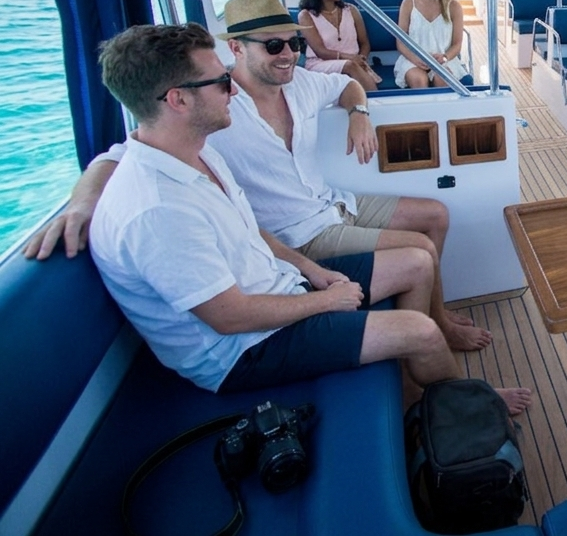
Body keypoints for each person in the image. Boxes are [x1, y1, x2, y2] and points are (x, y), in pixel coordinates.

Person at [86, 23, 530, 412]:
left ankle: (416, 391)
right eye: (220, 82)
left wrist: (313, 272)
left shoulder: (196, 155)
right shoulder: (157, 210)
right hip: (245, 349)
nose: (233, 89)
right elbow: (230, 318)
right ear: (178, 99)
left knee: (417, 260)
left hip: (279, 280)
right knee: (419, 331)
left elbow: (249, 228)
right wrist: (325, 300)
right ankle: (467, 407)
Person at [29, 0, 492, 354]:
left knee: (434, 214)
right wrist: (82, 203)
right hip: (300, 234)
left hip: (334, 204)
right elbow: (117, 156)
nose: (289, 53)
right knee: (421, 251)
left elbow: (349, 83)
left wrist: (359, 113)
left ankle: (440, 319)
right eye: (274, 45)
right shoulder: (210, 110)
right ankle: (430, 339)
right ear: (235, 48)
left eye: (292, 42)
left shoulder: (304, 82)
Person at [296, 0, 380, 91]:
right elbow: (320, 51)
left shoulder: (351, 10)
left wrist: (361, 58)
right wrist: (351, 59)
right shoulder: (306, 16)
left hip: (355, 63)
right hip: (321, 63)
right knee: (349, 66)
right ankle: (377, 101)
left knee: (352, 67)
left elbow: (364, 43)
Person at [395, 0, 468, 89]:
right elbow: (400, 41)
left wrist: (444, 57)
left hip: (444, 60)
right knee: (419, 81)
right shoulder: (407, 4)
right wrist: (415, 58)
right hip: (413, 59)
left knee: (442, 79)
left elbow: (457, 43)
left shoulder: (453, 7)